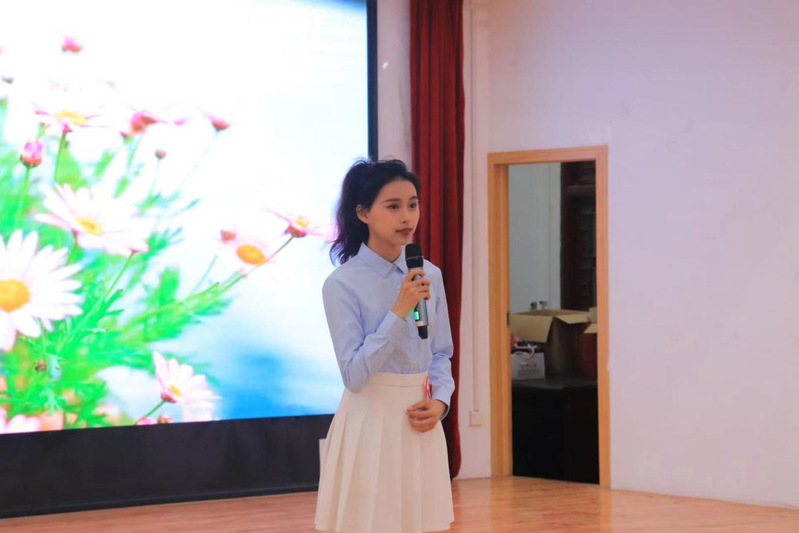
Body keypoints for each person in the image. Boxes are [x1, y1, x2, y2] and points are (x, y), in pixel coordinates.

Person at [315, 159, 455, 533]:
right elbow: (354, 375)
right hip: (369, 423)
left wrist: (441, 401)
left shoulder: (429, 273)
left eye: (413, 204)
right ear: (363, 213)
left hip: (420, 421)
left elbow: (440, 351)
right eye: (393, 206)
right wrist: (399, 311)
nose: (407, 216)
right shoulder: (342, 284)